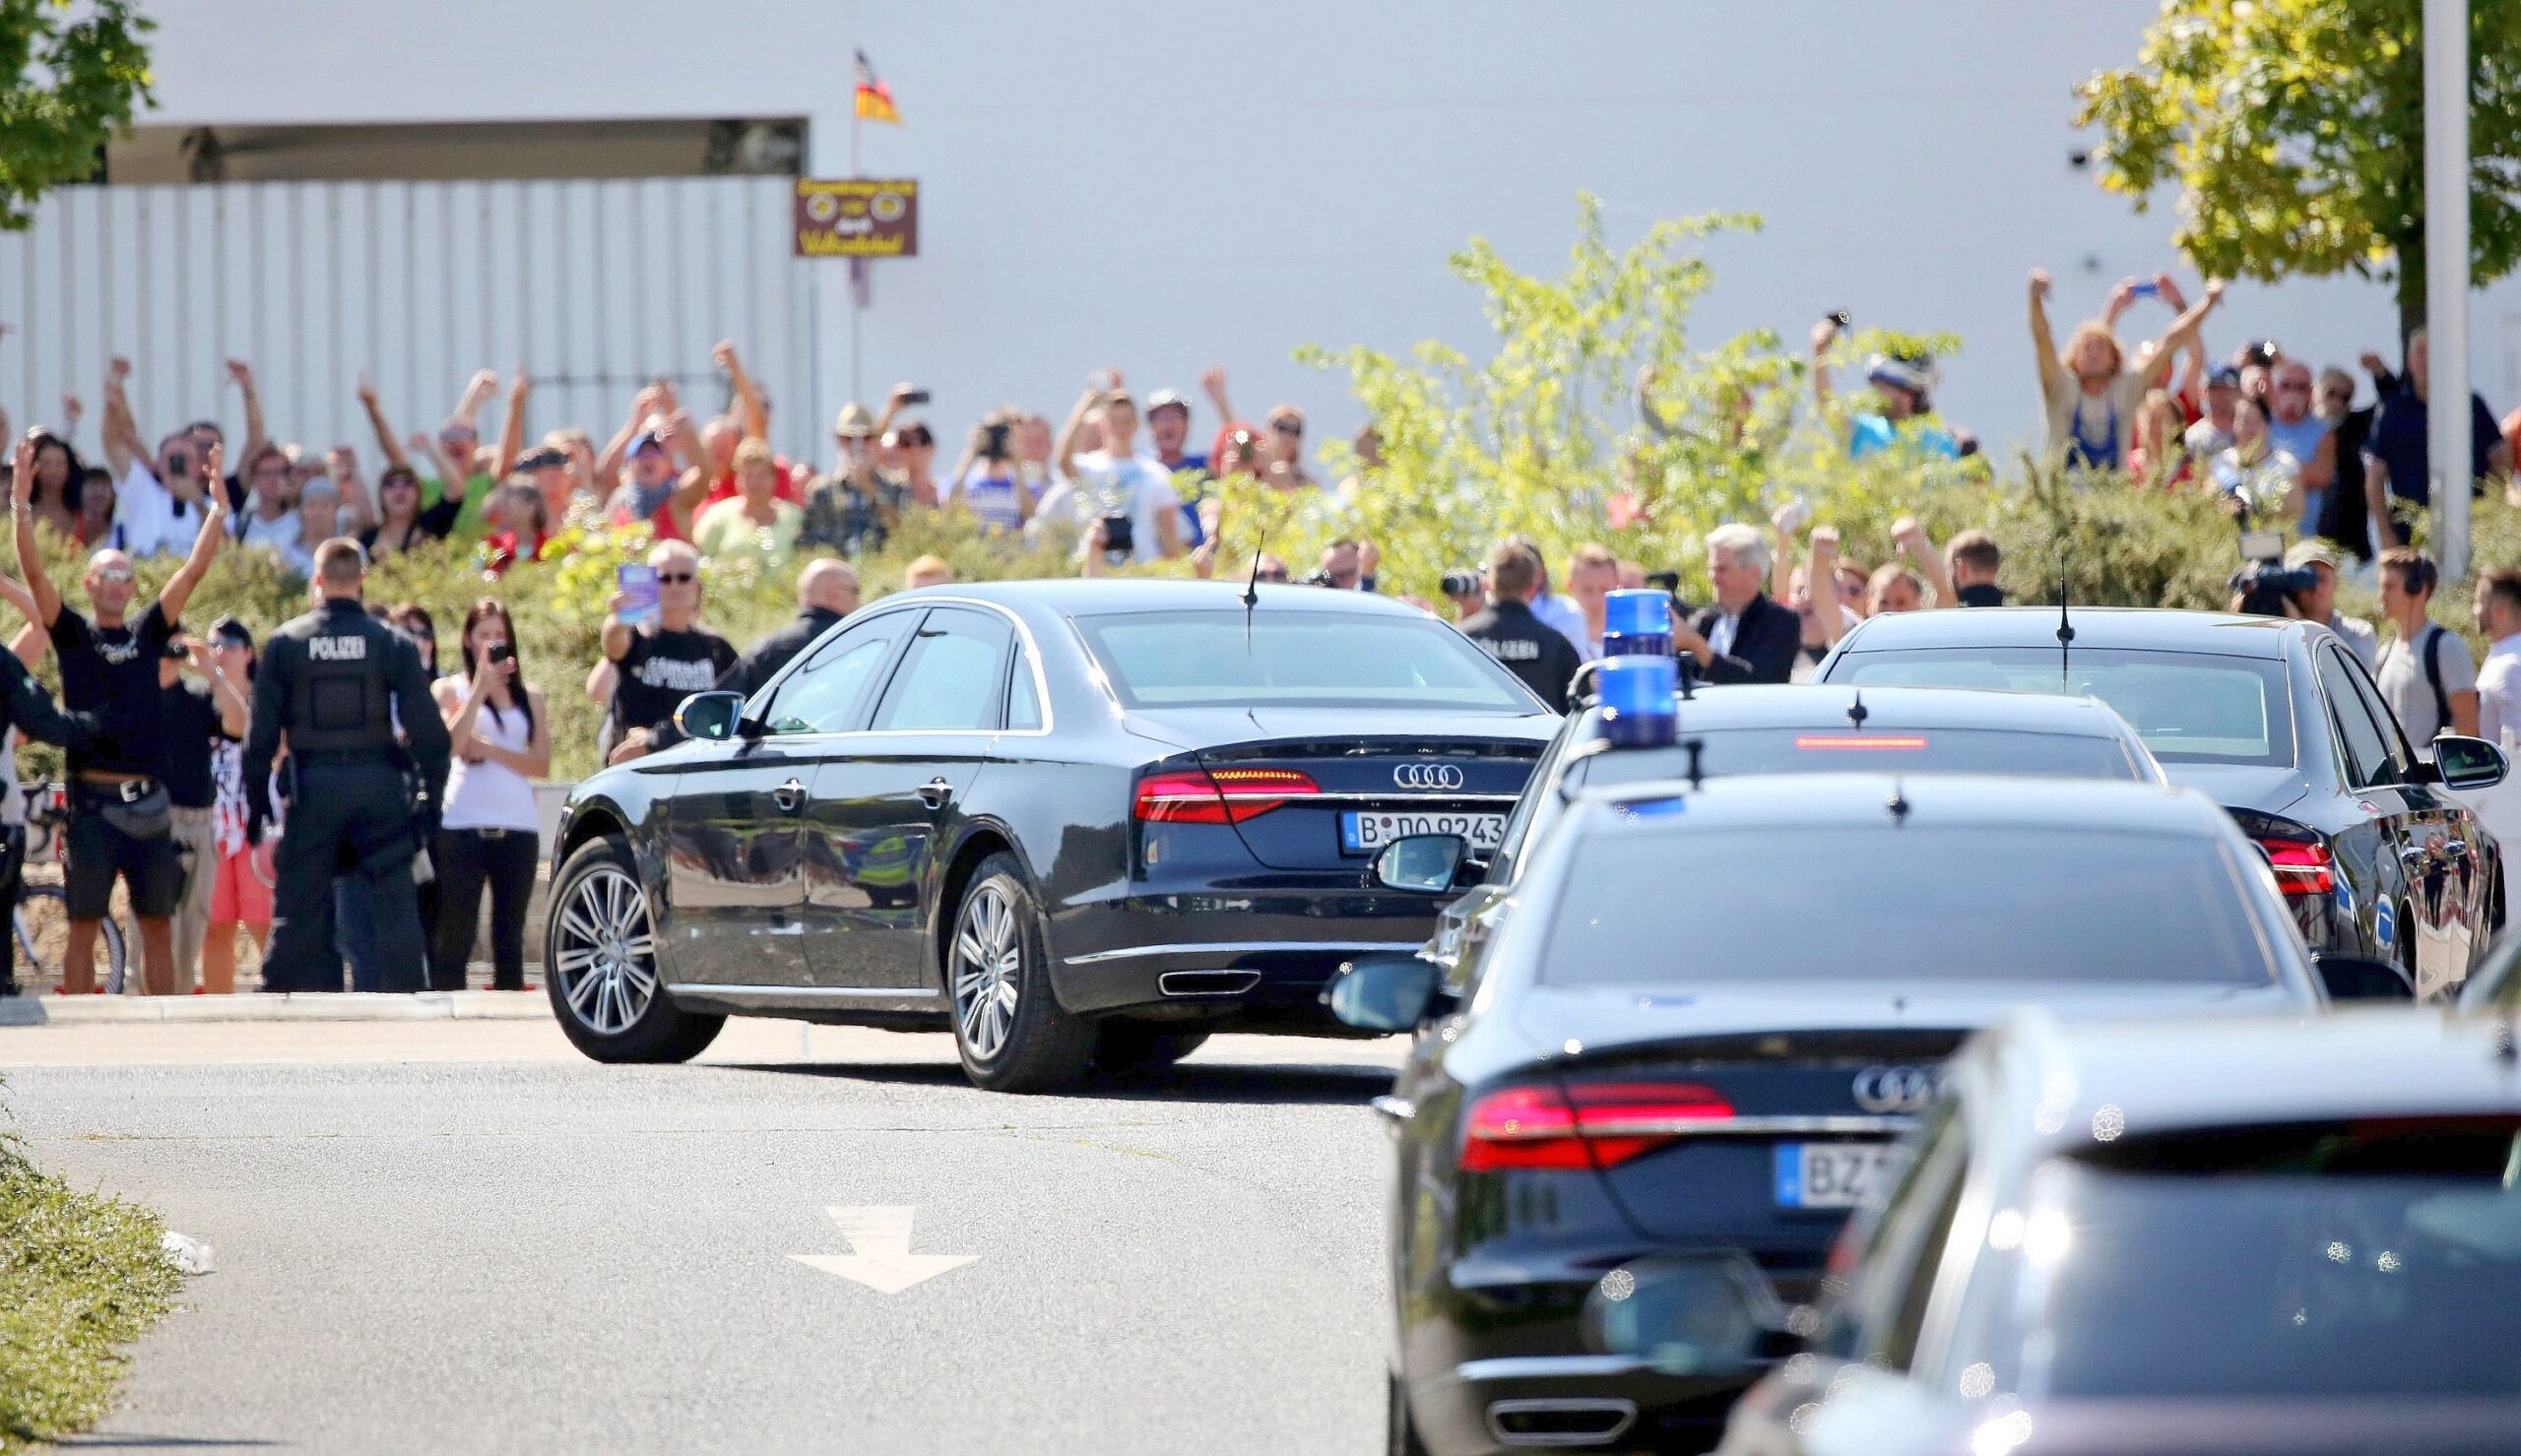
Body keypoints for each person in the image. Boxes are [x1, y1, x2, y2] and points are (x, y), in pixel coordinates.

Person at [16, 436, 226, 997]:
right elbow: (35, 578)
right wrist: (19, 505)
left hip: (151, 803)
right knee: (83, 925)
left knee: (156, 923)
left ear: (134, 587)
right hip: (92, 804)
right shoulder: (76, 636)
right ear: (88, 584)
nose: (116, 586)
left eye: (124, 578)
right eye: (105, 577)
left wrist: (218, 510)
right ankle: (87, 1030)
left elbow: (194, 570)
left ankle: (164, 1034)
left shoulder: (148, 632)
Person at [242, 538, 451, 993]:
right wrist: (429, 801)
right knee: (394, 900)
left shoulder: (286, 643)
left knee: (299, 903)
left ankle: (281, 999)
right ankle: (410, 1005)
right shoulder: (391, 643)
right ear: (362, 580)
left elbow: (260, 736)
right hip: (378, 786)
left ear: (316, 581)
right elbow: (432, 735)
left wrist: (257, 805)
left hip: (312, 788)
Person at [429, 601, 549, 993]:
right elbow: (446, 745)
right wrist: (479, 689)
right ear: (468, 640)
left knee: (508, 935)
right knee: (456, 931)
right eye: (484, 635)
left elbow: (541, 763)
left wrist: (491, 750)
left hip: (516, 824)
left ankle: (506, 1014)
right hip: (462, 822)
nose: (493, 643)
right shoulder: (451, 689)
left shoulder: (530, 697)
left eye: (500, 636)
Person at [2031, 269, 2223, 470]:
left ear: (2114, 360)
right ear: (2074, 357)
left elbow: (2172, 341)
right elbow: (2042, 340)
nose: (2094, 353)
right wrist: (2035, 300)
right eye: (2086, 348)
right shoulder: (2061, 387)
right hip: (2063, 498)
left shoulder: (2126, 391)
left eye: (2100, 348)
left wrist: (2208, 303)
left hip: (2113, 499)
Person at [2363, 329, 2513, 551]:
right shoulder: (2392, 411)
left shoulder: (2470, 405)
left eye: (2433, 353)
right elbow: (2374, 478)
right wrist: (2386, 536)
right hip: (2411, 536)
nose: (2426, 361)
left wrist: (2493, 516)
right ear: (2410, 361)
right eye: (2420, 353)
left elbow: (2501, 462)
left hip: (2470, 530)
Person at [161, 632, 246, 995]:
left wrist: (212, 673)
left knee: (194, 925)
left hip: (200, 821)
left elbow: (238, 724)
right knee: (156, 925)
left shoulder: (198, 695)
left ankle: (179, 1004)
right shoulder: (135, 694)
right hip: (155, 821)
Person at [600, 540, 738, 767]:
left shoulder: (715, 647)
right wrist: (618, 618)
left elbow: (733, 704)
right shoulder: (637, 637)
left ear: (697, 587)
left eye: (683, 577)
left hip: (695, 765)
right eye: (664, 578)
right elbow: (613, 646)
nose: (674, 585)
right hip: (636, 764)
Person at [1042, 374, 1185, 565]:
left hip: (1140, 571)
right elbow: (1062, 459)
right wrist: (1086, 405)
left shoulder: (1156, 473)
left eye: (1126, 421)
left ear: (1135, 425)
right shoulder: (1087, 467)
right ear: (1103, 424)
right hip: (1094, 569)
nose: (1120, 428)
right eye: (1114, 421)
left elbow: (1170, 539)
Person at [202, 618, 268, 995]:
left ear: (248, 652)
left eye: (228, 642)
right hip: (212, 827)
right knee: (216, 925)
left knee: (263, 922)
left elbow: (248, 729)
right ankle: (217, 1012)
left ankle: (280, 1003)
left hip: (256, 825)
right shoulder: (200, 700)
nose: (220, 650)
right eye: (213, 643)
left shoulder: (267, 698)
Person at [2373, 546, 2479, 757]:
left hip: (2434, 778)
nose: (2381, 596)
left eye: (2390, 587)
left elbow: (2467, 724)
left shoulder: (2446, 646)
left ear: (2417, 589)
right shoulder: (2384, 653)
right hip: (2395, 776)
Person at [1807, 317, 1959, 460]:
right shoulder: (1861, 430)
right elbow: (1826, 405)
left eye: (1884, 385)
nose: (1875, 391)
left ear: (1909, 393)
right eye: (1874, 384)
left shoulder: (1941, 445)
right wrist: (1819, 352)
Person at [1457, 541, 1582, 707]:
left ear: (1487, 584)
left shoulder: (1462, 640)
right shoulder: (1556, 646)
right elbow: (1577, 711)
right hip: (1542, 733)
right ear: (1533, 587)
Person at [1673, 523, 1799, 684]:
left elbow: (1760, 682)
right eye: (1712, 569)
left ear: (1753, 573)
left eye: (1722, 570)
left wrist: (1696, 645)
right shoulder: (1707, 621)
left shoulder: (1780, 621)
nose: (1713, 577)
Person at [724, 559, 858, 699]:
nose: (858, 599)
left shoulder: (767, 649)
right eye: (855, 591)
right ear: (834, 594)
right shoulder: (862, 640)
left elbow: (725, 702)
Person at [691, 440, 804, 563]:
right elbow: (696, 560)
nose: (754, 483)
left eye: (761, 475)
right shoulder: (718, 517)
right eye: (747, 476)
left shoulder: (794, 518)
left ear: (774, 477)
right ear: (737, 479)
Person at [2265, 359, 2338, 535]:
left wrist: (2269, 468)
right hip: (2264, 529)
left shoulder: (2322, 431)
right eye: (2286, 386)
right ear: (2274, 389)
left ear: (2310, 393)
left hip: (2303, 534)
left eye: (2301, 387)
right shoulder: (2260, 423)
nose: (2293, 393)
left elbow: (2322, 475)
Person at [2282, 540, 2379, 671]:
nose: (2316, 588)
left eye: (2322, 579)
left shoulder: (2357, 633)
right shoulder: (2279, 635)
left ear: (2335, 582)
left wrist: (2300, 629)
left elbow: (2342, 679)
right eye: (2305, 579)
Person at [2208, 396, 2303, 526]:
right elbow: (2209, 504)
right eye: (2243, 420)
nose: (2248, 428)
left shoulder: (2286, 465)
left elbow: (2295, 511)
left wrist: (2258, 512)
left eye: (2254, 421)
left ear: (2267, 426)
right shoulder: (2220, 463)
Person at [938, 412, 1034, 534]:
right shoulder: (960, 481)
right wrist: (971, 453)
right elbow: (949, 508)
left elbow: (1031, 515)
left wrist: (1016, 465)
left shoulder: (1027, 485)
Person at [357, 462, 456, 558]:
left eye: (407, 483)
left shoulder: (434, 523)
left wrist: (429, 447)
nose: (399, 491)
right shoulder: (368, 538)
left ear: (419, 493)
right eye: (390, 484)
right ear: (380, 495)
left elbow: (456, 491)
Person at [2474, 567, 2521, 748]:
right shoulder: (2502, 658)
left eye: (2478, 602)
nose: (2475, 611)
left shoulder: (2511, 666)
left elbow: (2516, 746)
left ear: (2499, 609)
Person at [1566, 543, 1619, 655]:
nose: (1596, 599)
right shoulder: (1560, 635)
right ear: (1571, 586)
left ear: (1617, 585)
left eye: (1604, 589)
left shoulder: (1629, 636)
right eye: (1587, 590)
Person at [2182, 364, 2243, 461]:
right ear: (2204, 393)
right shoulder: (2194, 436)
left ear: (2238, 392)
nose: (2219, 395)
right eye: (2213, 389)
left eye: (2225, 388)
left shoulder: (2251, 428)